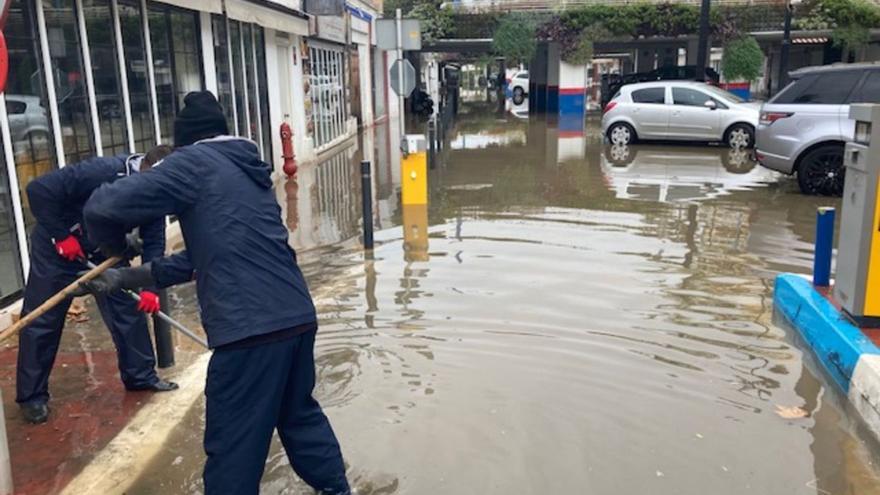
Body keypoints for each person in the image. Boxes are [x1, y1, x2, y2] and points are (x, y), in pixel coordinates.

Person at [81, 91, 350, 494]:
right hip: (295, 318)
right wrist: (126, 279)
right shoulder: (247, 170)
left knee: (233, 445)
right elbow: (202, 258)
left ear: (185, 140)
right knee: (299, 418)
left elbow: (102, 207)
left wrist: (113, 250)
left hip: (248, 332)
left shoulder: (191, 163)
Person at [17, 147, 179, 424]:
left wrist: (150, 286)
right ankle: (32, 397)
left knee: (127, 310)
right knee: (42, 321)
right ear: (146, 169)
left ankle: (140, 376)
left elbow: (154, 242)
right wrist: (60, 235)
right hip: (59, 249)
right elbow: (38, 190)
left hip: (105, 251)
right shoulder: (99, 172)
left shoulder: (156, 191)